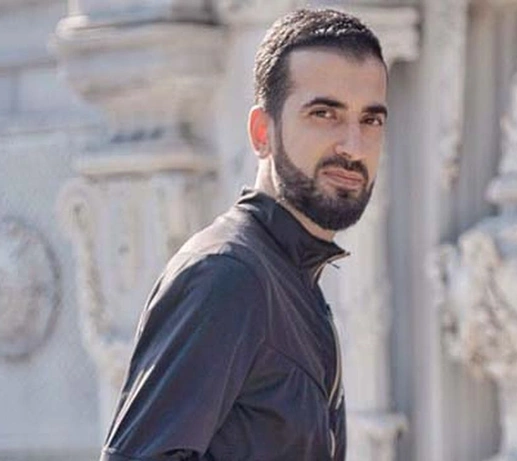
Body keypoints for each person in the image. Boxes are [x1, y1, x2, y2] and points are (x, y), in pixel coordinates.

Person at [100, 8, 388, 461]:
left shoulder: (295, 282)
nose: (353, 146)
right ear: (261, 133)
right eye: (324, 113)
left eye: (370, 120)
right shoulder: (227, 276)